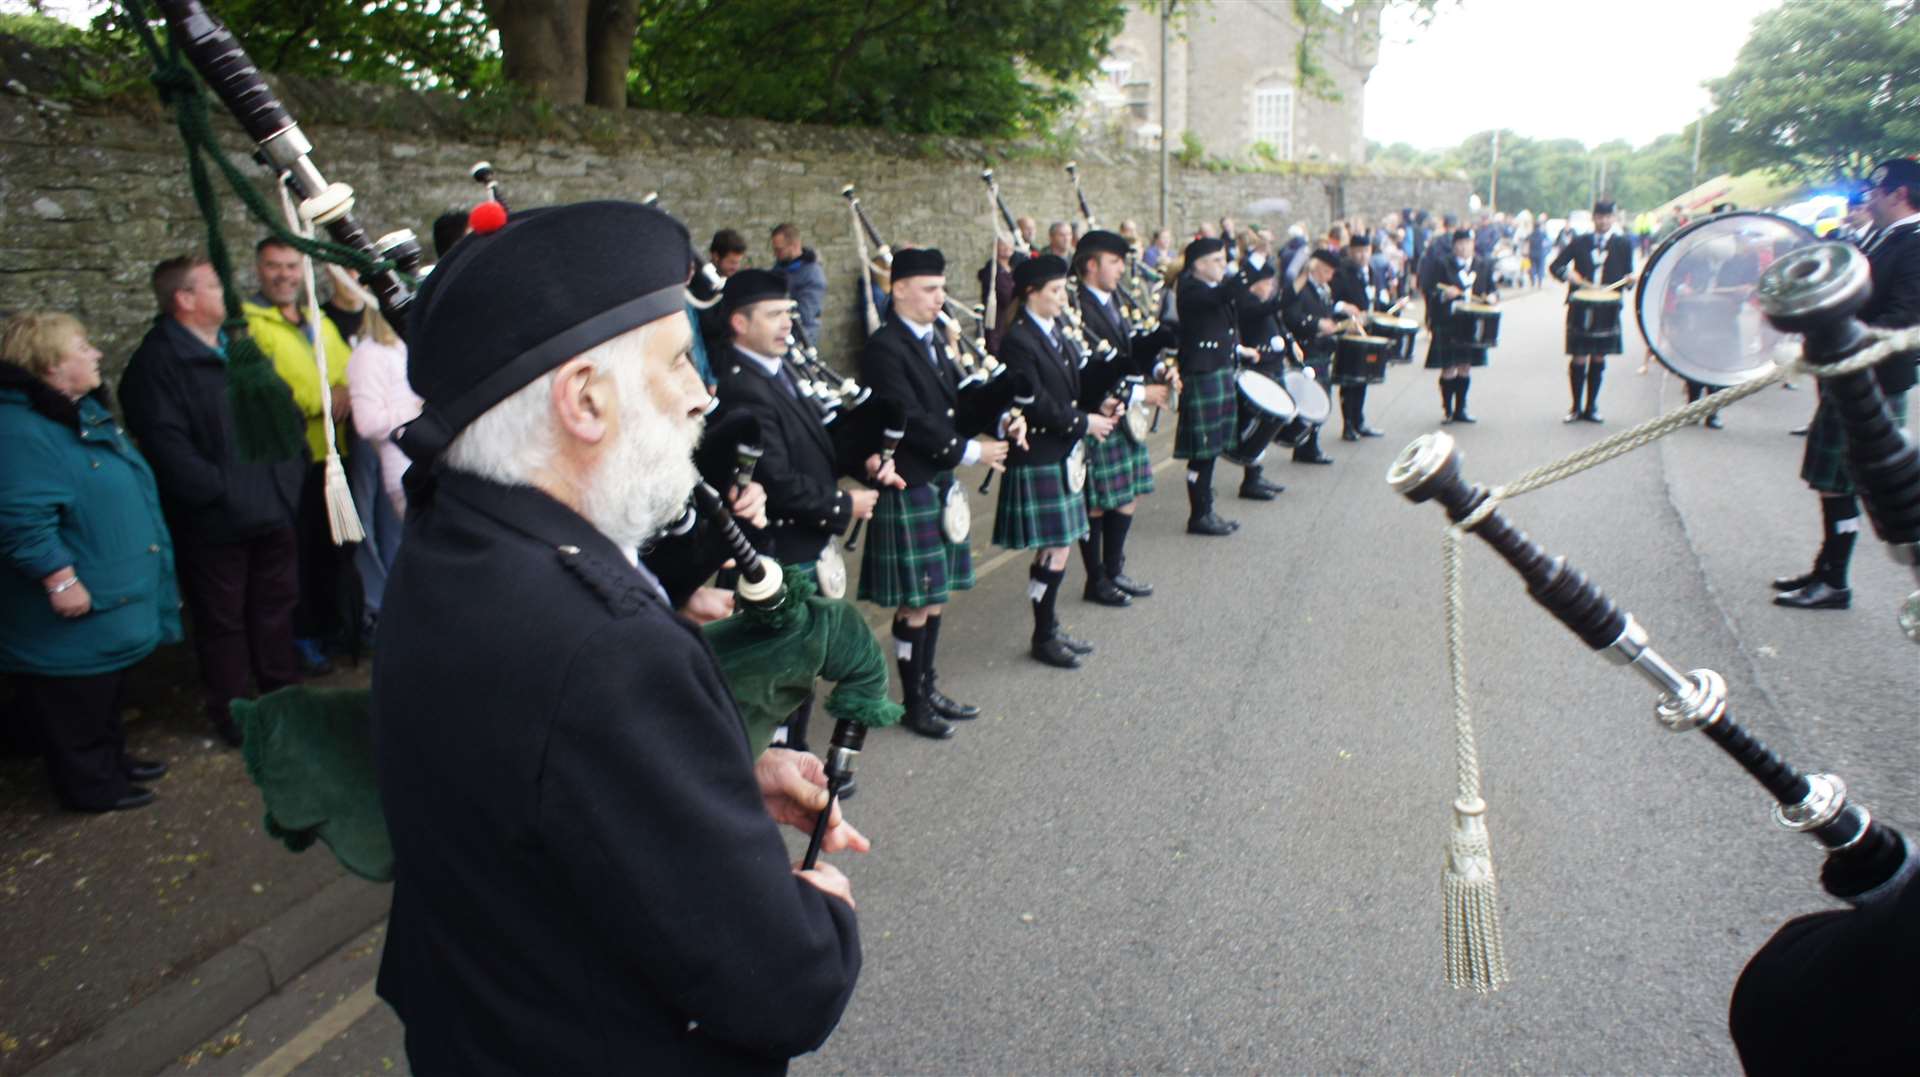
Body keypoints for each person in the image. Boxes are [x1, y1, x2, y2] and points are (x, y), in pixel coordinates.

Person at [373, 200, 863, 1073]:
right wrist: (823, 913)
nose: (702, 392)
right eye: (678, 361)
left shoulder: (456, 536)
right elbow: (783, 981)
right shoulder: (605, 643)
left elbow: (546, 782)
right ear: (585, 399)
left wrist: (710, 782)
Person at [708, 268, 903, 746]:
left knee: (803, 658)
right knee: (778, 669)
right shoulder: (742, 387)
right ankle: (773, 759)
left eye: (789, 315)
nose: (786, 325)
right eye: (774, 315)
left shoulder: (778, 369)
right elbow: (775, 479)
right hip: (775, 547)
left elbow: (816, 444)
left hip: (800, 540)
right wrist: (844, 503)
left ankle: (794, 749)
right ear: (739, 322)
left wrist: (864, 461)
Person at [119, 256, 303, 748]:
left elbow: (282, 412)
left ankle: (284, 702)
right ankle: (236, 715)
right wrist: (223, 494)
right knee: (222, 620)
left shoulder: (238, 347)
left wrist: (287, 479)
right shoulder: (156, 366)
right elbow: (168, 449)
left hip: (272, 507)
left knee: (276, 608)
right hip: (216, 521)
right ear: (185, 299)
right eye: (215, 285)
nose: (229, 293)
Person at [1, 312, 179, 812]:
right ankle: (90, 787)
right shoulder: (18, 432)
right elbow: (20, 517)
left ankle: (113, 763)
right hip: (72, 601)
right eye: (83, 346)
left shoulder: (77, 414)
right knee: (74, 702)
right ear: (51, 364)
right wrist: (59, 579)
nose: (96, 354)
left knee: (101, 693)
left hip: (108, 593)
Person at [857, 248, 1010, 739]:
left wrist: (1001, 414)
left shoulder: (934, 341)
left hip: (937, 482)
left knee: (935, 596)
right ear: (898, 289)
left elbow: (957, 401)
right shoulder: (885, 347)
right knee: (915, 602)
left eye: (942, 288)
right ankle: (914, 701)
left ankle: (929, 686)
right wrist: (969, 451)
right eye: (929, 288)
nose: (939, 298)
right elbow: (910, 416)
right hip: (912, 482)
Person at [1775, 158, 1920, 611]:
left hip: (1871, 383)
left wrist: (1839, 339)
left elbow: (1906, 319)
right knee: (1832, 482)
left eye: (1877, 192)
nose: (1868, 200)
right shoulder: (1883, 238)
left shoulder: (1914, 244)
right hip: (1851, 379)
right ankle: (1826, 569)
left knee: (1843, 483)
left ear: (1899, 195)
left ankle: (1835, 580)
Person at [990, 255, 1111, 668]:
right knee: (1054, 549)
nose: (1063, 298)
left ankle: (1049, 628)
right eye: (1055, 291)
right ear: (1030, 293)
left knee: (1056, 549)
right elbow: (1037, 404)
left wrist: (1100, 400)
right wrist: (1084, 422)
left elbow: (1071, 384)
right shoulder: (1018, 339)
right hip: (1040, 452)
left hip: (1060, 450)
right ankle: (1043, 636)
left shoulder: (1054, 329)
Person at [244, 237, 354, 676]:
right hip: (291, 459)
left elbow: (346, 365)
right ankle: (302, 637)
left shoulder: (316, 318)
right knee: (300, 555)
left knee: (334, 552)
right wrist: (326, 398)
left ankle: (334, 629)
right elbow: (271, 390)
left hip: (334, 454)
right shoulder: (250, 324)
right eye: (274, 266)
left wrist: (345, 388)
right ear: (258, 270)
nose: (284, 275)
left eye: (292, 266)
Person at [1072, 229, 1178, 603]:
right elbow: (1087, 375)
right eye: (1114, 262)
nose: (1120, 269)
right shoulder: (1077, 308)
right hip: (1100, 412)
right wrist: (1140, 392)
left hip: (1125, 413)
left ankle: (1115, 570)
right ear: (1091, 265)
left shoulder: (1114, 299)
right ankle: (1095, 579)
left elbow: (1133, 350)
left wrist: (1160, 370)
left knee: (1126, 495)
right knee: (1098, 501)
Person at [1173, 236, 1263, 533]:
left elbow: (1226, 324)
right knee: (1202, 450)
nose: (1223, 265)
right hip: (1202, 374)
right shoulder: (1190, 289)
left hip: (1219, 370)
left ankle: (1206, 511)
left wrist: (1238, 350)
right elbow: (1226, 294)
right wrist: (1254, 261)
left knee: (1211, 448)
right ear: (1198, 264)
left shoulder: (1210, 289)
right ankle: (1198, 515)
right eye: (1217, 260)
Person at [1549, 201, 1635, 423]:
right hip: (1580, 306)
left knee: (1598, 356)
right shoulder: (1580, 242)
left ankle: (1592, 407)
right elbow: (1556, 266)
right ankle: (1575, 407)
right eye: (1600, 217)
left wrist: (1631, 279)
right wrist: (1569, 275)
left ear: (1613, 219)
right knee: (1578, 357)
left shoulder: (1623, 244)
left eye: (1608, 217)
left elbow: (1628, 277)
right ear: (1593, 218)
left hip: (1608, 307)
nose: (1604, 221)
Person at [1225, 258, 1295, 494]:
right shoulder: (1247, 303)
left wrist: (1290, 344)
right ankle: (1250, 480)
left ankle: (1256, 475)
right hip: (1257, 370)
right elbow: (1269, 308)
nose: (1271, 287)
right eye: (1267, 283)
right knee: (1255, 426)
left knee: (1264, 426)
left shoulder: (1262, 302)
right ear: (1256, 284)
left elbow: (1279, 323)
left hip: (1272, 367)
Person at [346, 303, 423, 515]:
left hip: (428, 463)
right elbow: (367, 423)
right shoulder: (368, 354)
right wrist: (417, 409)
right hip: (405, 470)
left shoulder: (406, 344)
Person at [1423, 229, 1499, 423]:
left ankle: (1461, 409)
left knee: (1465, 367)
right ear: (1454, 245)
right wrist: (1442, 294)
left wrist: (1492, 297)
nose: (1464, 247)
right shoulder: (1442, 264)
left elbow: (1493, 290)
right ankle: (1447, 410)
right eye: (1460, 243)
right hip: (1448, 322)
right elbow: (1429, 288)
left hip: (1471, 324)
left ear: (1473, 244)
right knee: (1448, 367)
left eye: (1468, 243)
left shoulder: (1482, 265)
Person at [1283, 249, 1345, 463]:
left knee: (1322, 399)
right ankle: (1304, 447)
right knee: (1311, 400)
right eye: (1326, 271)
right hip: (1307, 350)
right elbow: (1291, 317)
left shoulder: (1322, 288)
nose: (1329, 276)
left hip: (1321, 349)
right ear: (1315, 267)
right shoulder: (1300, 288)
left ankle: (1311, 445)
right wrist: (1317, 324)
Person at [1331, 233, 1392, 440]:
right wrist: (1345, 307)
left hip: (1368, 333)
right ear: (1350, 252)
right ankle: (1347, 424)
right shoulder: (1340, 273)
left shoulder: (1373, 272)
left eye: (1366, 251)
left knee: (1364, 378)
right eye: (1358, 251)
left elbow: (1377, 300)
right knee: (1349, 380)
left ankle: (1360, 421)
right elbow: (1331, 301)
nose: (1362, 255)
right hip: (1350, 333)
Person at [770, 222, 827, 343]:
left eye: (779, 250)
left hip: (801, 339)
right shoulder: (780, 267)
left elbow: (804, 316)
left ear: (794, 246)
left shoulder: (813, 276)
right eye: (774, 249)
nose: (775, 254)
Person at [979, 235, 1016, 354]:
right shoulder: (992, 270)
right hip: (998, 322)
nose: (1007, 247)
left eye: (1009, 243)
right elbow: (1006, 297)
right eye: (1002, 244)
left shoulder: (1012, 268)